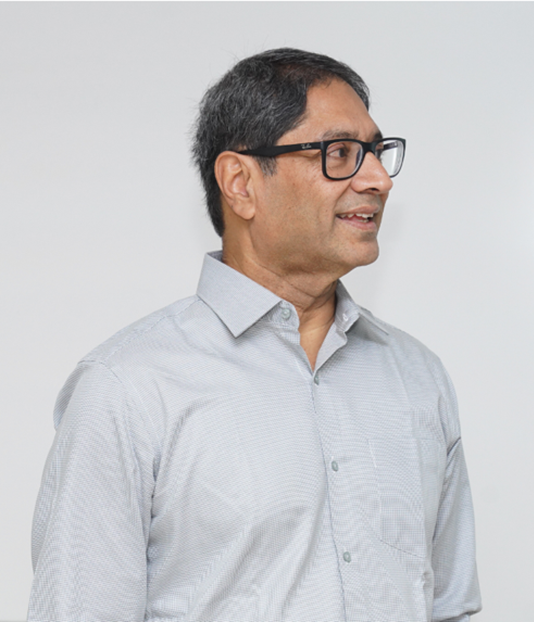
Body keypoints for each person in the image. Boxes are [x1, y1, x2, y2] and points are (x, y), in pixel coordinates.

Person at [30, 49, 483, 619]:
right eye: (340, 153)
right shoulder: (126, 388)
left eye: (376, 152)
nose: (378, 180)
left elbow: (449, 605)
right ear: (240, 182)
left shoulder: (418, 376)